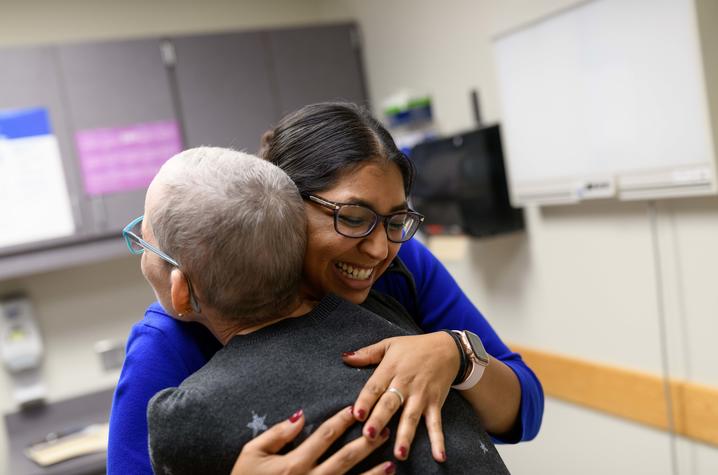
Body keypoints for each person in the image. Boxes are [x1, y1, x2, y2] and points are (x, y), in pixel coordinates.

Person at [107, 102, 543, 474]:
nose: (378, 248)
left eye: (395, 220)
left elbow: (525, 409)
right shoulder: (176, 331)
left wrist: (458, 355)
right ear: (283, 204)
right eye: (352, 217)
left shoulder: (400, 267)